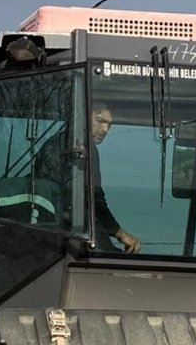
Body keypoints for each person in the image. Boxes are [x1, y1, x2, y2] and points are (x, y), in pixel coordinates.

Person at [35, 102, 141, 253]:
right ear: (82, 118)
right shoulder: (77, 149)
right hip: (63, 235)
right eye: (100, 121)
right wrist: (120, 234)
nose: (105, 129)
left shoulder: (60, 144)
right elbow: (93, 201)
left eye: (109, 125)